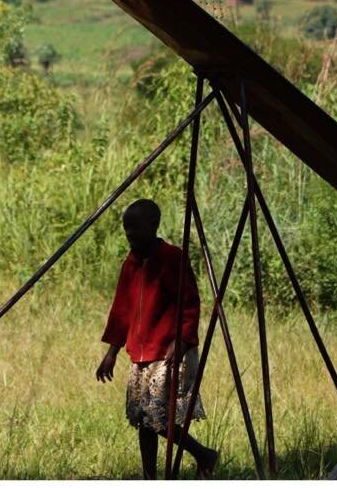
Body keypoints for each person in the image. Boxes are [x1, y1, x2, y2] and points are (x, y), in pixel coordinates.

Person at [96, 199, 218, 478]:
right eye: (126, 229)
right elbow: (122, 310)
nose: (129, 234)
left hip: (167, 351)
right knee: (143, 420)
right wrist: (112, 352)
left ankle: (203, 454)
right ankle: (150, 477)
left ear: (152, 225)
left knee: (159, 418)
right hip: (139, 354)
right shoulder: (131, 263)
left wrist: (182, 339)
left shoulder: (172, 258)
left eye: (134, 228)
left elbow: (190, 302)